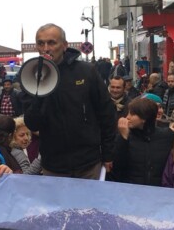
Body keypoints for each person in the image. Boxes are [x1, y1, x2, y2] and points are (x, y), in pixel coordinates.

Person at [22, 23, 117, 179]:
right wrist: (40, 92)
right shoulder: (29, 76)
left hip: (88, 163)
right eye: (41, 43)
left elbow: (106, 113)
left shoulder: (86, 72)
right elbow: (32, 123)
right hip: (53, 165)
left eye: (51, 43)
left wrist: (108, 154)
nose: (46, 48)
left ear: (64, 45)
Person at [112, 97, 174, 185]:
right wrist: (123, 138)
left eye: (132, 114)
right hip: (130, 188)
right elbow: (116, 167)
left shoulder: (167, 136)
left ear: (144, 117)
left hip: (158, 189)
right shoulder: (125, 136)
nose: (127, 117)